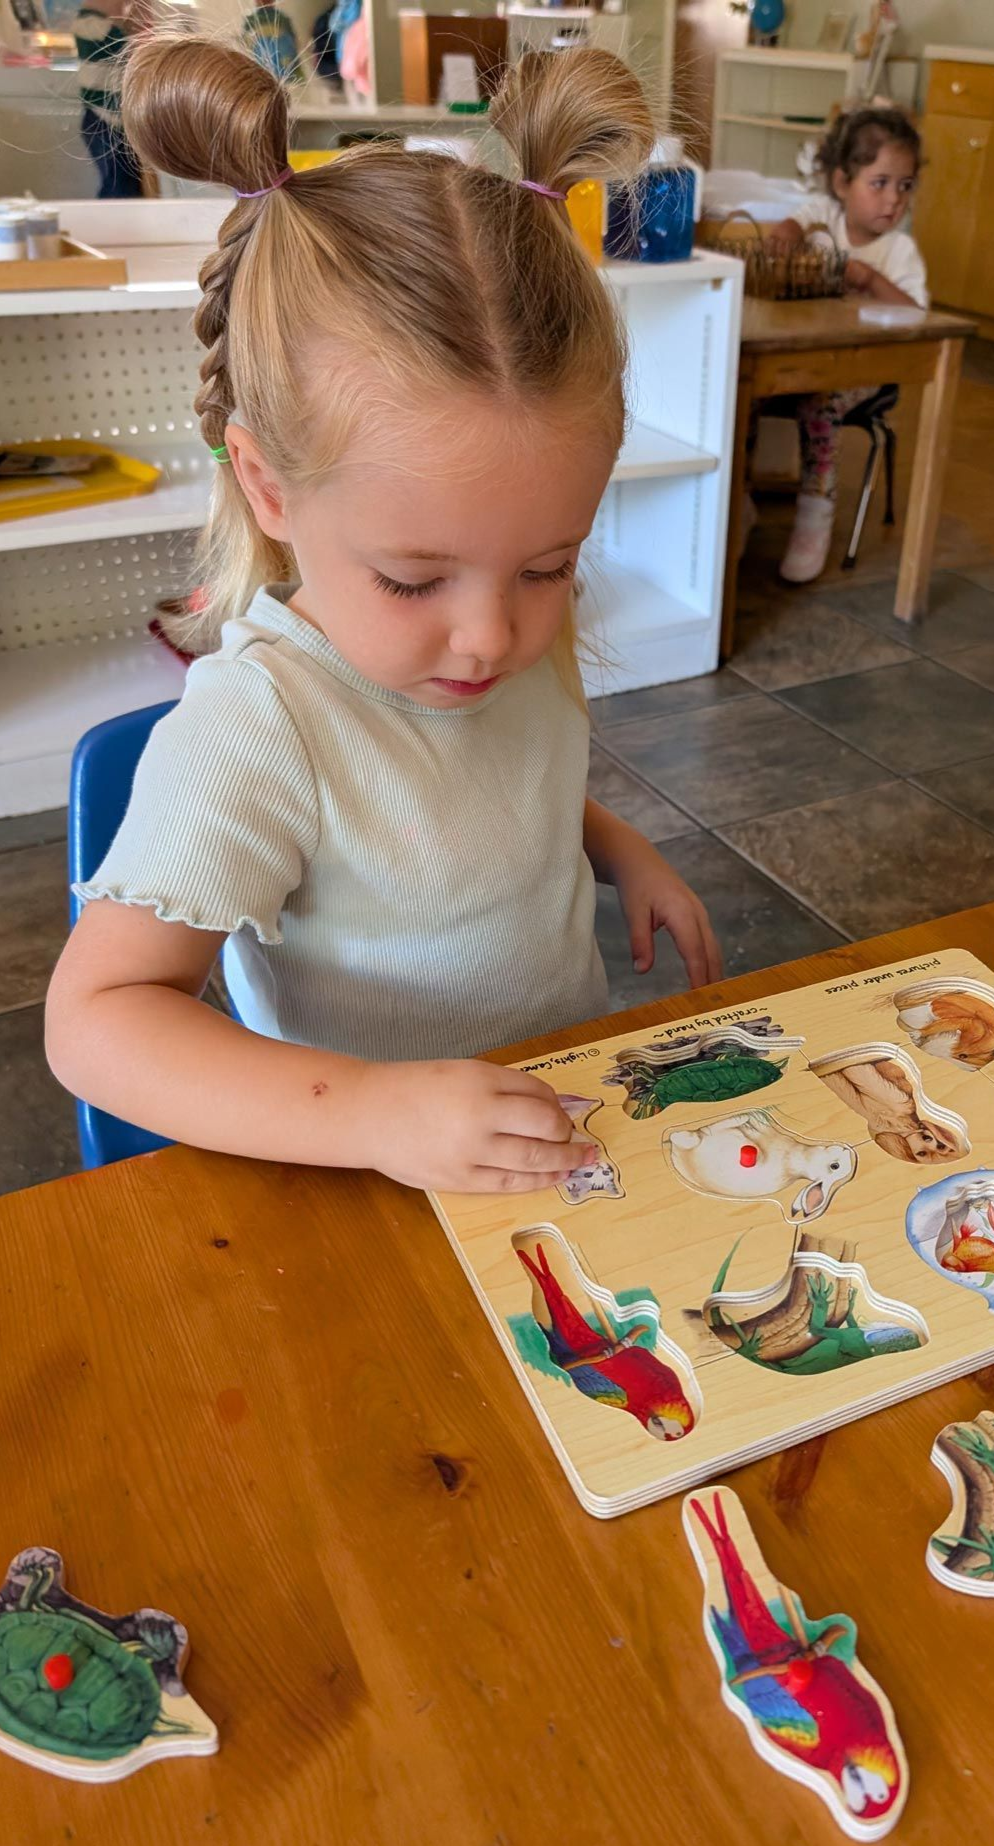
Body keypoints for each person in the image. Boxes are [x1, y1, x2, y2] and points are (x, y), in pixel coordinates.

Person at [46, 36, 722, 1199]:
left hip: (543, 1133)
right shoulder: (261, 729)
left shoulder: (498, 626)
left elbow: (491, 792)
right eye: (414, 581)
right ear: (268, 487)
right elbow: (96, 1020)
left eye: (550, 564)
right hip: (363, 1186)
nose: (490, 638)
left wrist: (620, 851)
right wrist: (369, 1112)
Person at [760, 106, 927, 585]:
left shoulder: (900, 251)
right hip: (805, 364)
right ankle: (740, 503)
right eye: (879, 183)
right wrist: (788, 233)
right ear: (841, 183)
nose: (893, 200)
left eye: (905, 186)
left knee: (821, 401)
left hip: (865, 378)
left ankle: (814, 519)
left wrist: (869, 277)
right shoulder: (822, 218)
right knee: (743, 389)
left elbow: (918, 315)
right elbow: (789, 228)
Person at [73, 0, 145, 198]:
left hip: (110, 122)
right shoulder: (91, 24)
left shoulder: (104, 26)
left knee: (123, 185)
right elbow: (136, 48)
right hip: (103, 121)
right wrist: (140, 15)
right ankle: (114, 225)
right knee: (120, 188)